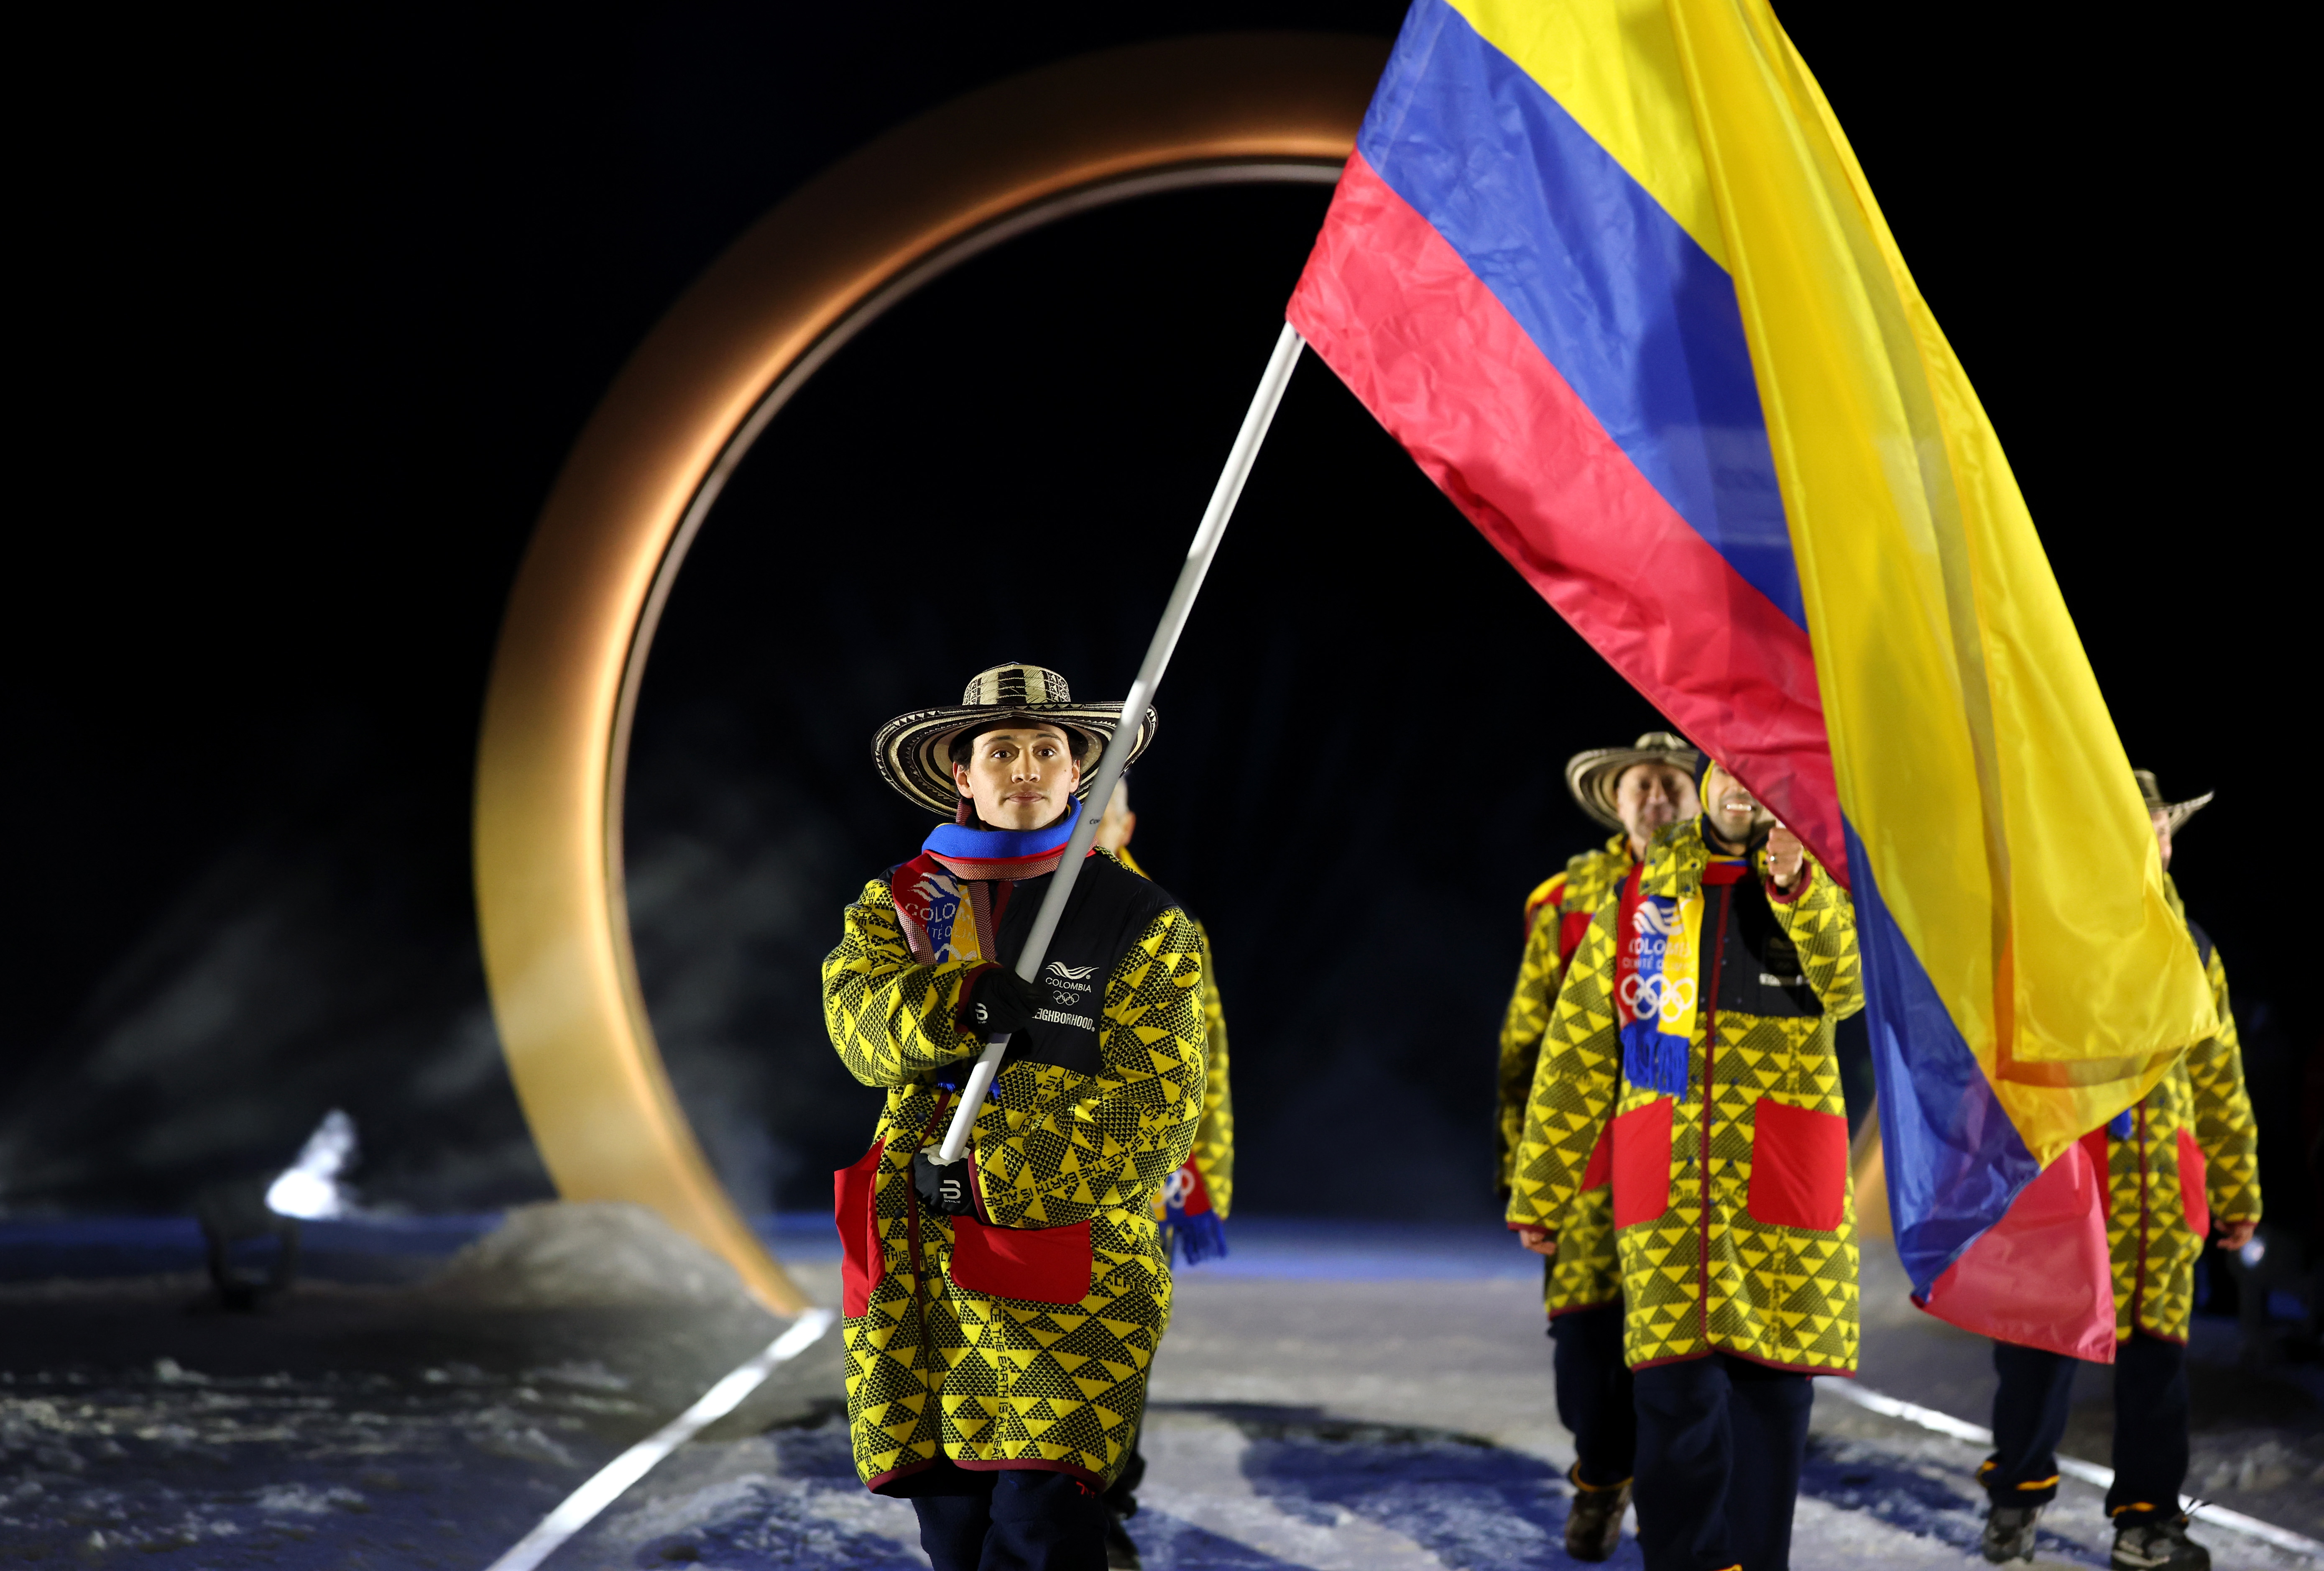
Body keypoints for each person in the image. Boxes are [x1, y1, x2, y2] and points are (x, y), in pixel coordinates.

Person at [822, 663, 1208, 1571]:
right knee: (953, 1536)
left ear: (1081, 772)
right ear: (963, 774)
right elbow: (857, 1031)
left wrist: (998, 1173)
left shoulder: (1140, 920)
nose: (1026, 767)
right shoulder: (901, 900)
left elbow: (1156, 1107)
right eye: (1002, 750)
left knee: (1043, 1531)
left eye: (1049, 748)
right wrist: (953, 1005)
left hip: (1064, 1275)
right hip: (919, 1271)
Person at [1507, 752, 1862, 1571]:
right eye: (1725, 768)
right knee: (1670, 1404)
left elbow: (1846, 989)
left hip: (1781, 1198)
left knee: (1769, 1406)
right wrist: (1543, 1187)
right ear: (1705, 786)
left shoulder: (1819, 881)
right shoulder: (1642, 900)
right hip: (1664, 1195)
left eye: (1761, 772)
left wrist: (1794, 887)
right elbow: (1579, 1049)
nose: (1742, 784)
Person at [1978, 771, 2261, 1571]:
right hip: (2064, 1187)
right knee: (2036, 1354)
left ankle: (2147, 1522)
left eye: (2162, 829)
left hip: (2161, 1198)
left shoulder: (2193, 950)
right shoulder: (2045, 938)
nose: (2155, 843)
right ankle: (2016, 1496)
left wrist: (2238, 1190)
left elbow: (2219, 1079)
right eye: (2135, 827)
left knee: (2155, 1366)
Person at [1499, 731, 1698, 1560]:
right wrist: (1525, 1166)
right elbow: (1526, 1043)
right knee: (1586, 1350)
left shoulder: (1733, 888)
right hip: (1587, 1164)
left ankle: (1669, 1497)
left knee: (1679, 1354)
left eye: (1671, 785)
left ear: (1698, 797)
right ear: (1615, 801)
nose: (1655, 798)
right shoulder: (1566, 900)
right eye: (1640, 786)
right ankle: (1600, 1470)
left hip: (1693, 1163)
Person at [1088, 779, 1235, 1570]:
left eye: (1100, 807)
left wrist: (1199, 1175)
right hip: (1025, 1178)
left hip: (1137, 1180)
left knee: (1120, 1351)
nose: (1088, 822)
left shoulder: (1164, 922)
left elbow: (1201, 1060)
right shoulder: (1005, 909)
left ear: (1126, 822)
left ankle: (1107, 1503)